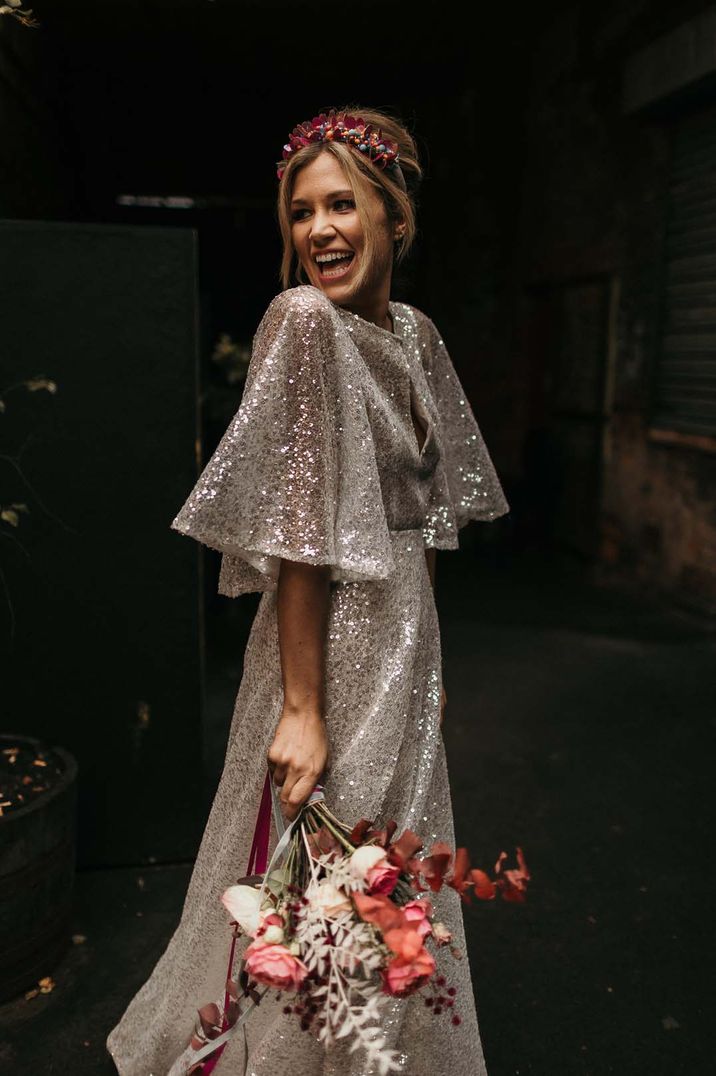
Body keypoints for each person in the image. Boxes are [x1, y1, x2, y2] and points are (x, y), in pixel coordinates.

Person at [106, 106, 509, 1076]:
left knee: (389, 883)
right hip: (327, 647)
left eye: (341, 205)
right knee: (323, 884)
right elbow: (299, 537)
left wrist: (431, 668)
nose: (318, 229)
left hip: (404, 643)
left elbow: (426, 518)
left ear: (395, 216)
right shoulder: (301, 323)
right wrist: (300, 705)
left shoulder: (415, 335)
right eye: (300, 212)